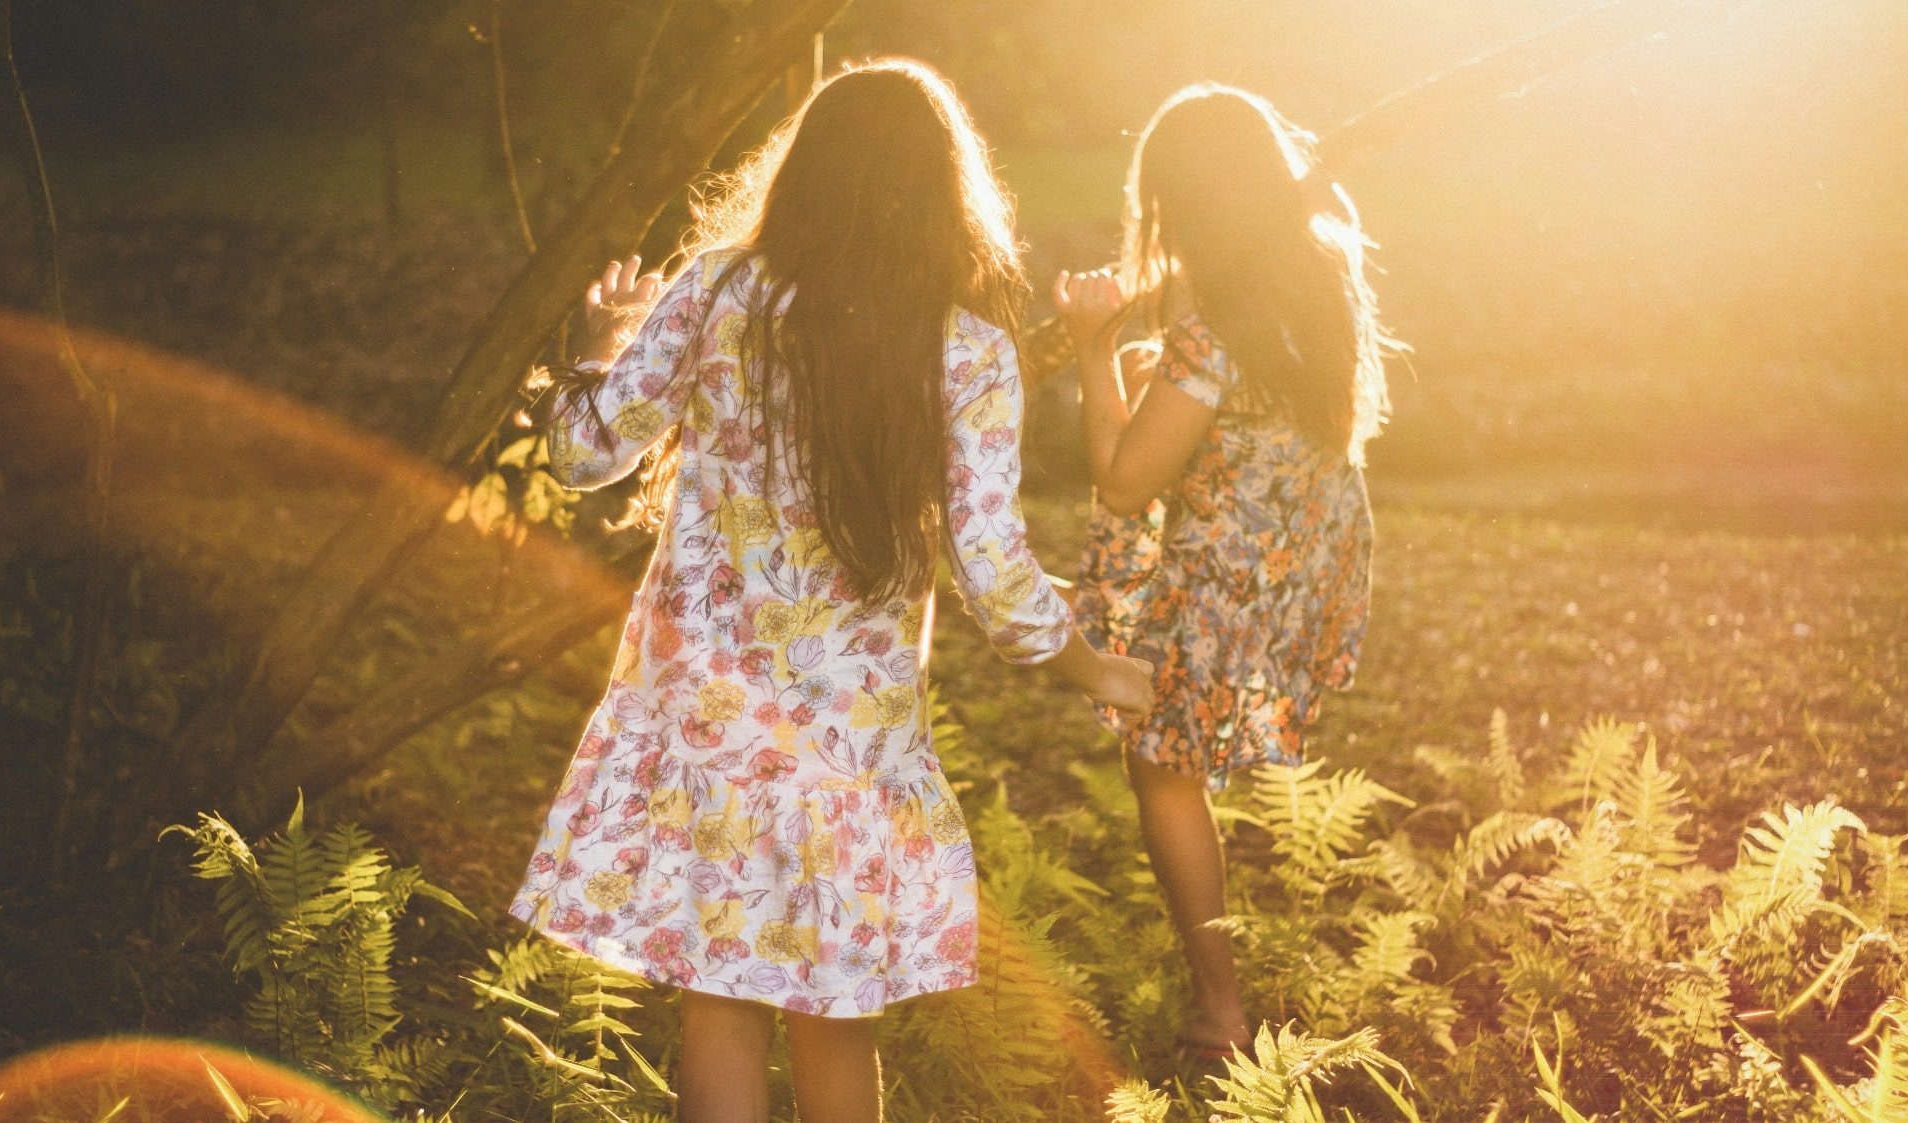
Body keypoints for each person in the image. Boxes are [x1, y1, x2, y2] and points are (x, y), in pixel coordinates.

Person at [510, 60, 1154, 1123]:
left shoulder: (717, 294)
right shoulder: (965, 352)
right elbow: (993, 572)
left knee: (721, 996)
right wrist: (1096, 668)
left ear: (802, 174)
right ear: (945, 194)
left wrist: (596, 345)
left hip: (705, 714)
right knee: (833, 1008)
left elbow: (582, 457)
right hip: (849, 739)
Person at [1053, 82, 1399, 1060]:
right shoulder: (1317, 283)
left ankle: (1219, 1009)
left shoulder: (1210, 338)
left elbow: (1123, 486)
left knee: (1160, 763)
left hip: (1236, 572)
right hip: (1310, 553)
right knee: (1182, 747)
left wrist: (1092, 350)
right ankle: (1225, 978)